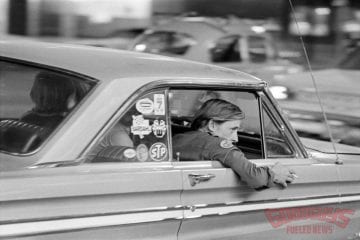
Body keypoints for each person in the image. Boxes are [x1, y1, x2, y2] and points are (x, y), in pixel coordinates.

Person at [172, 98, 296, 189]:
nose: (236, 138)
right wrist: (274, 174)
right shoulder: (218, 145)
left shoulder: (178, 138)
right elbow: (256, 178)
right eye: (232, 129)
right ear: (212, 125)